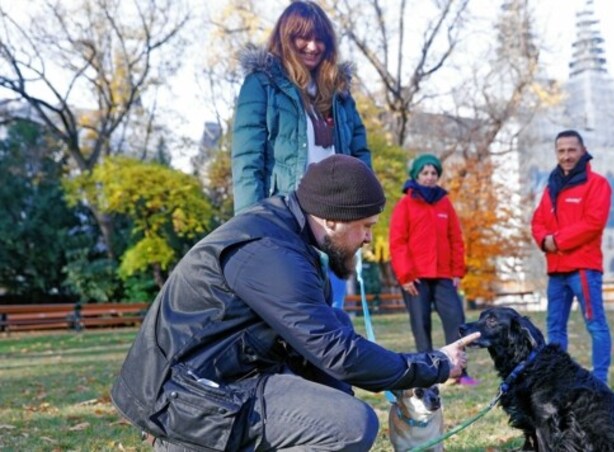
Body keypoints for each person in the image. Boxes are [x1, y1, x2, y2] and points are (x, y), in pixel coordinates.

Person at [111, 155, 479, 451]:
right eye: (366, 225)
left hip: (221, 377)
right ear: (333, 219)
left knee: (338, 328)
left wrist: (397, 373)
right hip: (183, 399)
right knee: (351, 425)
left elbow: (330, 344)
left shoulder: (289, 233)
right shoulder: (271, 254)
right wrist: (431, 365)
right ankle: (182, 444)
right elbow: (339, 354)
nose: (369, 238)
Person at [232, 1, 370, 308]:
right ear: (285, 38)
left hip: (335, 219)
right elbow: (247, 162)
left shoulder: (340, 92)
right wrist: (249, 229)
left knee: (333, 311)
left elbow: (360, 152)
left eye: (320, 38)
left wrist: (362, 209)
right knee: (295, 307)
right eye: (302, 37)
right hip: (285, 215)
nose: (312, 46)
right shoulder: (262, 85)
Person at [530, 129, 613, 384]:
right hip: (556, 271)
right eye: (561, 151)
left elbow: (593, 223)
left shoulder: (597, 184)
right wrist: (544, 240)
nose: (566, 156)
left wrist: (558, 240)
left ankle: (600, 381)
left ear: (582, 150)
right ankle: (559, 381)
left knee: (595, 325)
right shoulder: (550, 186)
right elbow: (538, 221)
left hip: (583, 269)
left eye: (571, 150)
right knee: (554, 328)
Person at [389, 154, 477, 386]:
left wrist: (457, 271)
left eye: (433, 173)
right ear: (416, 176)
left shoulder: (444, 203)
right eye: (425, 173)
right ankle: (428, 375)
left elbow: (455, 238)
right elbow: (398, 242)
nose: (429, 177)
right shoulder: (405, 204)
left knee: (456, 320)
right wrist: (405, 276)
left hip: (444, 275)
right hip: (416, 278)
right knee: (421, 324)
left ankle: (460, 373)